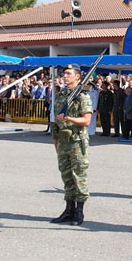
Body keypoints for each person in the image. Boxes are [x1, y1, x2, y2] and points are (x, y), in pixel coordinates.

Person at [50, 64, 93, 226]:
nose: (65, 76)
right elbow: (55, 120)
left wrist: (69, 119)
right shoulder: (61, 95)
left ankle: (79, 211)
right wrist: (56, 141)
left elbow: (86, 120)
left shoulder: (82, 96)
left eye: (69, 73)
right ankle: (69, 210)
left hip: (77, 142)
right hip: (63, 141)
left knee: (78, 176)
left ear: (77, 76)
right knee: (66, 176)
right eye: (64, 73)